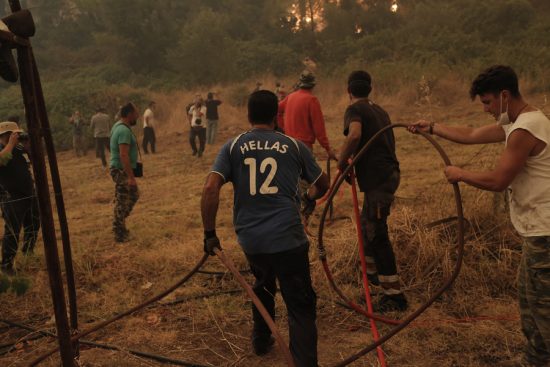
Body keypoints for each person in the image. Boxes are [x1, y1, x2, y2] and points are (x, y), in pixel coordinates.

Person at [408, 65, 550, 367]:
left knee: (543, 310)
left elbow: (499, 181)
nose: (486, 109)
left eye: (487, 102)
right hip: (536, 231)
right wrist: (431, 127)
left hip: (545, 234)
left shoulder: (525, 129)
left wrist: (460, 174)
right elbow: (471, 134)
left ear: (504, 95)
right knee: (529, 303)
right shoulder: (517, 123)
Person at [201, 90, 329, 367]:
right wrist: (308, 198)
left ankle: (261, 341)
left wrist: (209, 234)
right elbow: (323, 183)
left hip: (252, 240)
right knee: (300, 304)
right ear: (276, 116)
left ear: (248, 115)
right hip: (289, 238)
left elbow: (211, 187)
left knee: (263, 285)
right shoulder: (294, 146)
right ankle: (304, 362)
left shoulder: (232, 147)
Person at [337, 70, 407, 312]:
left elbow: (354, 135)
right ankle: (373, 278)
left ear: (349, 91)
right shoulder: (379, 110)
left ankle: (394, 295)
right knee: (367, 227)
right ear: (370, 89)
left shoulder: (355, 110)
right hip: (386, 175)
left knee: (377, 233)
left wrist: (342, 161)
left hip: (379, 180)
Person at [0, 121, 40, 275]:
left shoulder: (20, 148)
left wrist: (28, 145)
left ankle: (28, 252)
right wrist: (10, 144)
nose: (17, 136)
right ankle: (7, 265)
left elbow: (33, 160)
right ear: (5, 135)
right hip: (12, 197)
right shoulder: (4, 148)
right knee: (12, 231)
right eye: (13, 134)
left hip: (29, 193)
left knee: (34, 224)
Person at [278, 70, 337, 161]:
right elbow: (319, 129)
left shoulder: (290, 97)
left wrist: (283, 128)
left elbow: (277, 110)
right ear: (313, 85)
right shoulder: (312, 100)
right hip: (304, 147)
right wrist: (328, 149)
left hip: (288, 145)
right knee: (308, 174)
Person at [109, 103, 140, 243]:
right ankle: (119, 232)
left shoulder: (118, 126)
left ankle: (119, 226)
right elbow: (123, 155)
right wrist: (130, 177)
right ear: (129, 114)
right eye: (135, 113)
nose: (137, 116)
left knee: (129, 197)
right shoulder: (124, 131)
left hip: (119, 169)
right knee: (124, 201)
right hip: (121, 170)